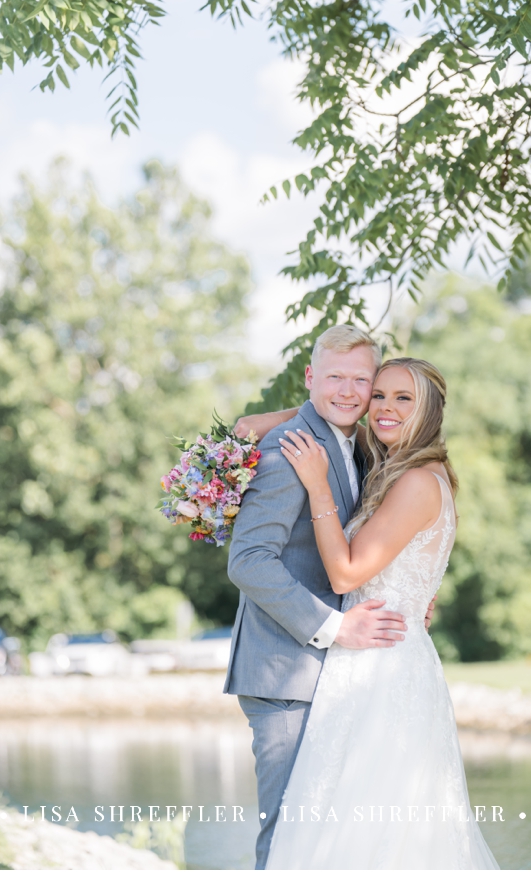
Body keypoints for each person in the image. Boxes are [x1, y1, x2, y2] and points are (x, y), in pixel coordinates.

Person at [247, 357, 497, 868]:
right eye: (377, 395)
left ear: (429, 410)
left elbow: (345, 574)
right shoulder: (392, 465)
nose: (383, 408)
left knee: (374, 830)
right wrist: (296, 414)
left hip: (382, 670)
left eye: (403, 399)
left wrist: (317, 485)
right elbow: (266, 424)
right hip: (364, 660)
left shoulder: (417, 483)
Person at [224, 325, 431, 868]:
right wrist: (335, 627)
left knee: (331, 838)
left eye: (360, 379)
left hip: (343, 677)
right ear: (310, 378)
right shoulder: (288, 448)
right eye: (334, 376)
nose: (347, 390)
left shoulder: (357, 444)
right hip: (288, 671)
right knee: (290, 836)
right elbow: (248, 561)